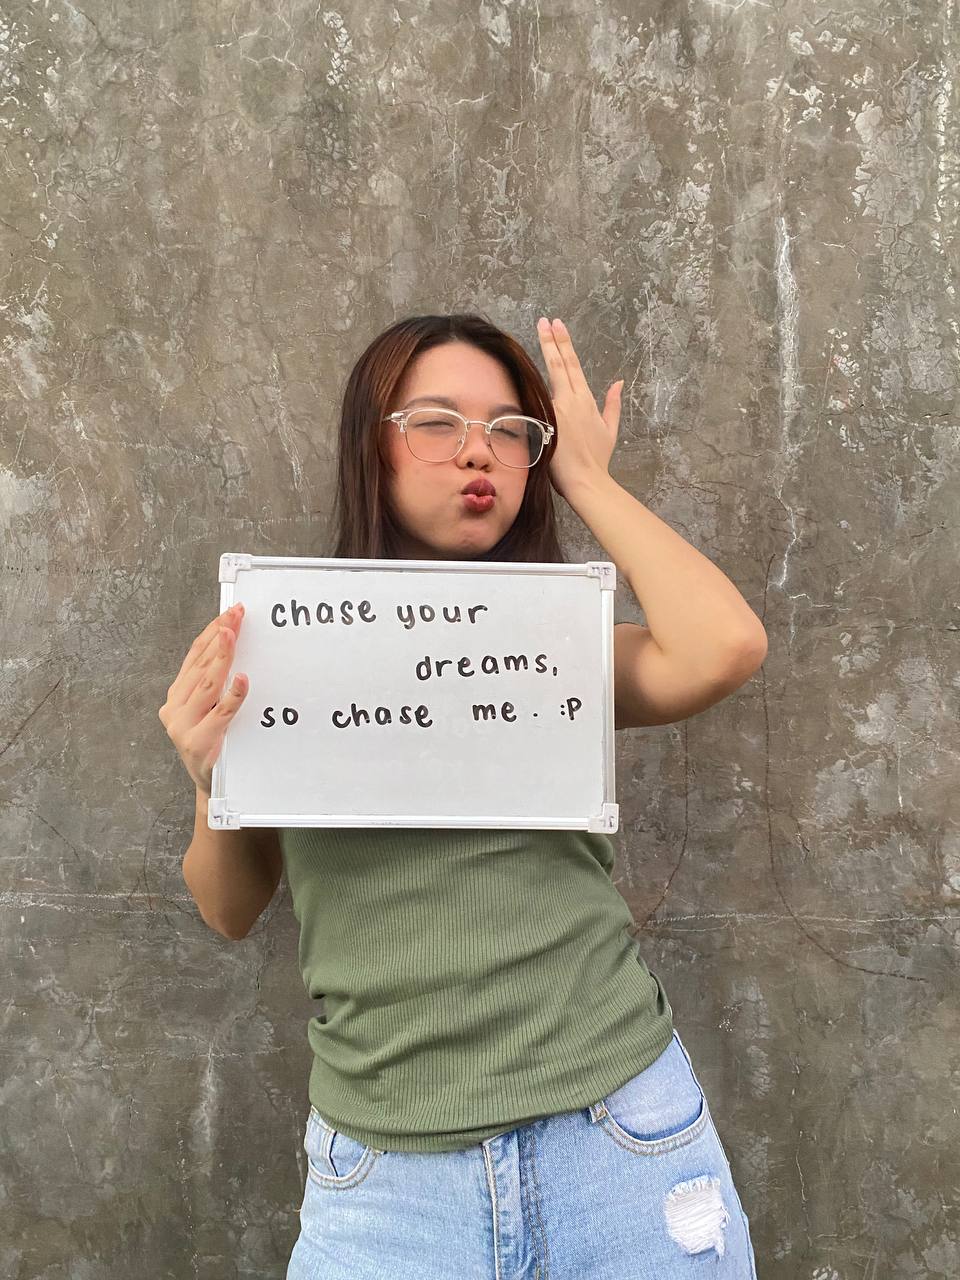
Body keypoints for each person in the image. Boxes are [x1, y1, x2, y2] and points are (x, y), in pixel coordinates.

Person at [161, 313, 764, 1278]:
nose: (478, 451)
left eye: (511, 431)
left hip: (619, 1136)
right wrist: (209, 784)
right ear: (371, 446)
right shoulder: (277, 642)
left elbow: (723, 647)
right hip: (387, 1183)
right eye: (436, 422)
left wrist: (587, 478)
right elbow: (229, 908)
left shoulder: (560, 646)